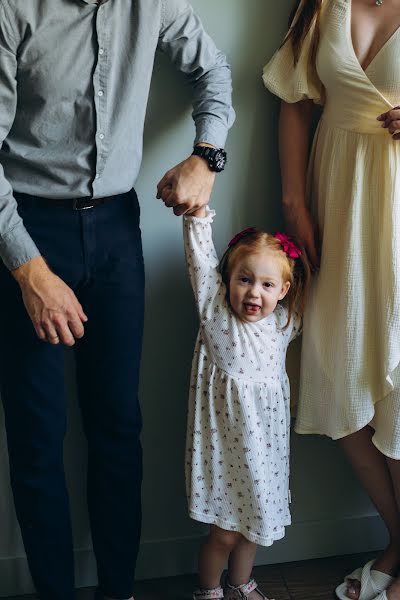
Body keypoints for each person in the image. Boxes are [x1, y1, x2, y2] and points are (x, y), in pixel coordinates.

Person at [0, 1, 235, 599]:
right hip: (27, 230)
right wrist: (29, 270)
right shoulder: (12, 9)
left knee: (117, 425)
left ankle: (119, 591)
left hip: (116, 229)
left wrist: (207, 156)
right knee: (37, 435)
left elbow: (213, 71)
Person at [263, 1, 400, 599]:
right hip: (338, 208)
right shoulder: (322, 4)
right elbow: (295, 101)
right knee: (339, 377)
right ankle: (399, 539)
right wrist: (294, 207)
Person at [178, 204, 309, 600]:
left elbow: (323, 293)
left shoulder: (284, 322)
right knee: (223, 533)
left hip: (265, 454)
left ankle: (240, 583)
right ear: (227, 281)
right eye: (244, 280)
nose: (254, 292)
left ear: (283, 290)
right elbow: (200, 262)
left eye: (267, 285)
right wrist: (198, 217)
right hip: (223, 454)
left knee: (254, 527)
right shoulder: (217, 315)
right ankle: (209, 590)